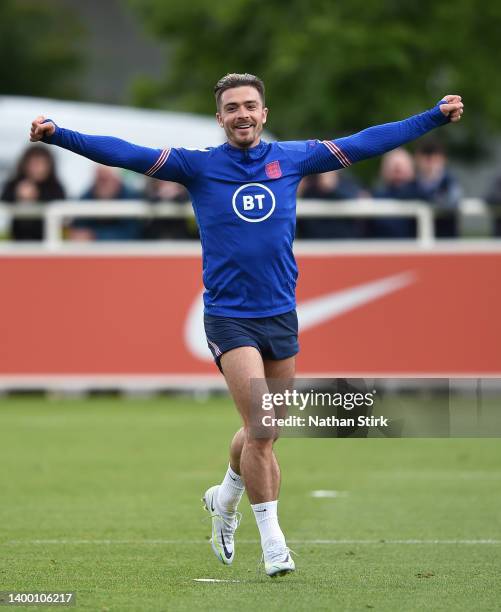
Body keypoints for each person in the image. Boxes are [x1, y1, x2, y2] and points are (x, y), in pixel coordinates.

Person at [29, 73, 463, 577]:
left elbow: (366, 142)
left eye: (249, 106)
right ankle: (274, 542)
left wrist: (431, 117)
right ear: (220, 117)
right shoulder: (200, 166)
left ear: (264, 114)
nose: (241, 114)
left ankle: (224, 498)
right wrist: (60, 134)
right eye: (231, 107)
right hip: (229, 317)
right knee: (263, 425)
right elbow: (125, 152)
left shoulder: (294, 158)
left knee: (264, 432)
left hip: (280, 314)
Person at [1, 145, 65, 241]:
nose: (37, 168)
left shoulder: (55, 187)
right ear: (25, 164)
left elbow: (60, 208)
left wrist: (37, 196)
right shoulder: (14, 184)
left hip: (46, 242)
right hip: (17, 241)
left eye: (41, 163)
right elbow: (4, 201)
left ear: (49, 165)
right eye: (33, 163)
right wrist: (18, 195)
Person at [68, 165, 142, 241]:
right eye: (99, 179)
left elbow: (133, 233)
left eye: (105, 179)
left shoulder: (131, 197)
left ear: (116, 180)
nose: (102, 184)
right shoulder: (86, 198)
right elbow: (78, 229)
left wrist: (94, 235)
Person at [297, 170, 366, 239]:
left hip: (344, 241)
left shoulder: (348, 185)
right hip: (316, 241)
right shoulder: (309, 190)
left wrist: (333, 188)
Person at [371, 148, 423, 238]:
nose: (398, 173)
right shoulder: (375, 197)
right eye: (394, 168)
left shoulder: (423, 194)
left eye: (401, 168)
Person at [414, 139, 462, 237]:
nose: (430, 164)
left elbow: (451, 202)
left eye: (435, 159)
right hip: (416, 242)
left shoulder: (450, 182)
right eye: (427, 159)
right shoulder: (411, 183)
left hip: (446, 241)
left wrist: (433, 182)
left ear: (443, 160)